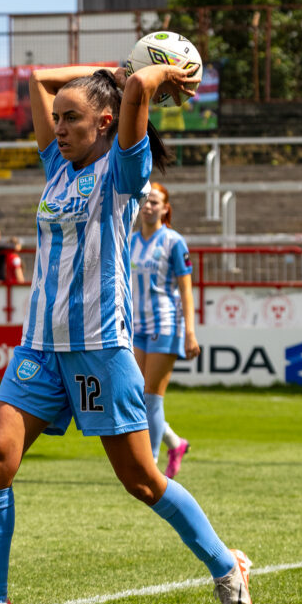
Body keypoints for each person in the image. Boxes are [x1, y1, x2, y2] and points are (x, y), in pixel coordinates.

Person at [0, 62, 252, 604]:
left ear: (106, 122)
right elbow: (38, 77)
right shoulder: (55, 166)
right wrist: (107, 69)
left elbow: (138, 90)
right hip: (39, 345)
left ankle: (224, 563)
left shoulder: (123, 170)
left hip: (99, 348)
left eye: (72, 118)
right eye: (56, 119)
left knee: (141, 480)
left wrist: (158, 71)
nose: (58, 127)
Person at [131, 182, 199, 479]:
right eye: (145, 201)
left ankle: (151, 464)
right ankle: (175, 443)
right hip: (134, 325)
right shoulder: (129, 241)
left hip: (166, 325)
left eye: (155, 202)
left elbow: (186, 290)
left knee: (151, 397)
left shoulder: (173, 242)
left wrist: (190, 332)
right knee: (134, 394)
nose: (148, 206)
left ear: (165, 208)